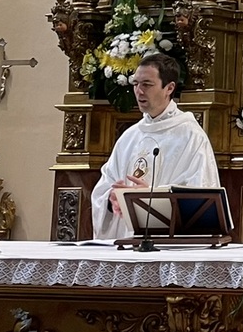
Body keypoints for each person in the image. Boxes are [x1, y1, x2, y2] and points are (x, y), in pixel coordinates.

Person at [89, 52, 219, 242]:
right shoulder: (130, 137)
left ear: (169, 88)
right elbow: (105, 185)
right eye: (135, 84)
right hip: (127, 242)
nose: (139, 91)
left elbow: (199, 194)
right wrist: (112, 199)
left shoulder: (191, 136)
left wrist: (150, 197)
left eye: (147, 84)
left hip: (168, 246)